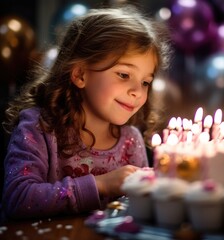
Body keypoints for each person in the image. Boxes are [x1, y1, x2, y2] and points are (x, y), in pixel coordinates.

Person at [0, 4, 171, 221]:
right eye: (124, 75)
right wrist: (100, 184)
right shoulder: (39, 128)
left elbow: (137, 213)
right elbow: (18, 199)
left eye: (146, 81)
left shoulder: (131, 140)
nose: (137, 91)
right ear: (80, 74)